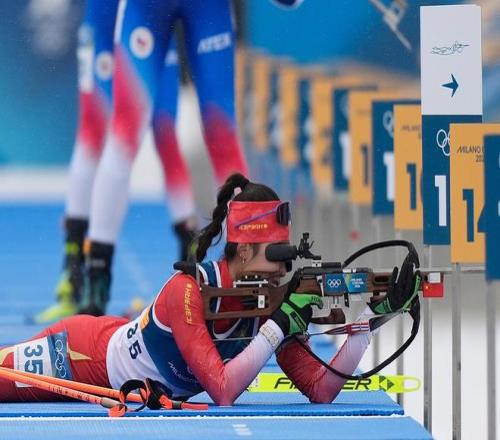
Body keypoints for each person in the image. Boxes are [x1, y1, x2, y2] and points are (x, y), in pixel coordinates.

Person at [0, 174, 415, 405]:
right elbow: (223, 391)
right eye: (276, 256)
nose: (283, 269)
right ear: (245, 250)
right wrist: (278, 326)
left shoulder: (270, 304)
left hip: (116, 372)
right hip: (80, 356)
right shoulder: (187, 291)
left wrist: (369, 321)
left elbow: (321, 390)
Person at [81, 0, 248, 317]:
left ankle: (249, 277)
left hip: (207, 7)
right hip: (146, 8)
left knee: (222, 133)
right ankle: (96, 278)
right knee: (124, 134)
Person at [35, 0, 198, 324]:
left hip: (151, 19)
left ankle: (192, 263)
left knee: (165, 132)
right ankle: (76, 276)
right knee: (93, 132)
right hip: (105, 21)